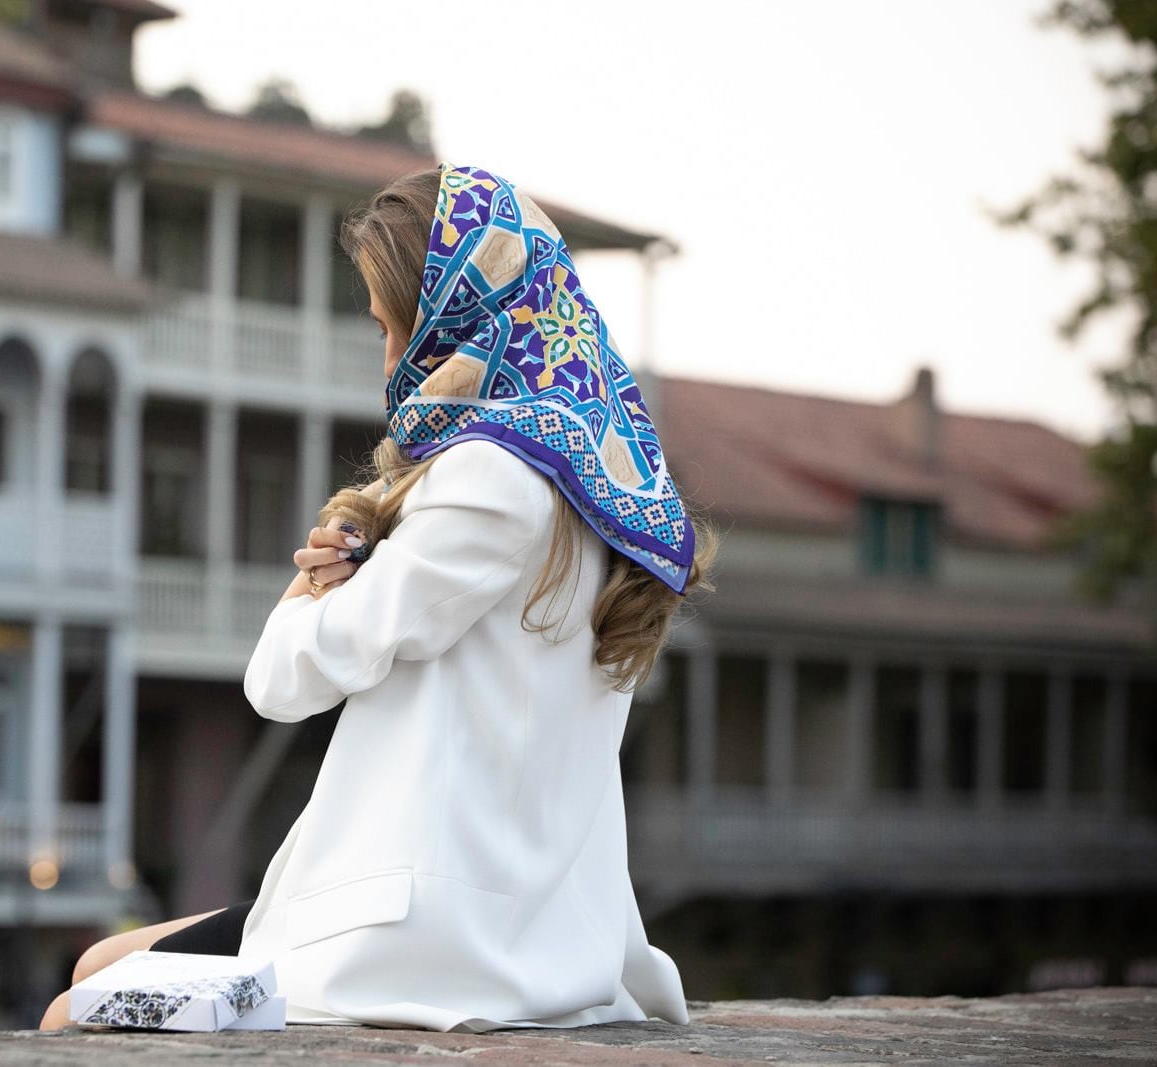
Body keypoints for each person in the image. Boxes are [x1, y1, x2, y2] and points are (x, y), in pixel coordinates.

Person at [38, 161, 718, 1033]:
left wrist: (311, 584)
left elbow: (281, 682)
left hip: (440, 934)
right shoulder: (599, 479)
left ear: (461, 318)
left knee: (73, 1009)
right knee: (100, 965)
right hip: (526, 914)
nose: (393, 360)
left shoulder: (489, 476)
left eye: (397, 327)